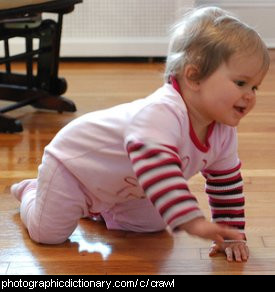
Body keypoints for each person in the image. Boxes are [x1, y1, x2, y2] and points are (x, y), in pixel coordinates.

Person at [11, 6, 269, 262]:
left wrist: (233, 234)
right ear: (193, 77)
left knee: (152, 223)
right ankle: (33, 192)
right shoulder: (162, 113)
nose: (250, 95)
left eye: (255, 87)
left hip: (128, 186)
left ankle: (98, 208)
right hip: (73, 167)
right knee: (48, 233)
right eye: (240, 83)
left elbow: (225, 182)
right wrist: (191, 219)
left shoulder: (223, 132)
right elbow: (157, 168)